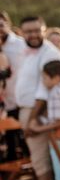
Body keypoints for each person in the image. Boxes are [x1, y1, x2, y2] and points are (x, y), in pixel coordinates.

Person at [15, 16, 60, 180]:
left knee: (42, 165)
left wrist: (33, 120)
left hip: (38, 114)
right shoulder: (27, 53)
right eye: (28, 31)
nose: (33, 35)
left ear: (44, 30)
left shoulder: (49, 53)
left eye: (37, 30)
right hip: (28, 111)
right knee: (42, 164)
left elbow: (46, 90)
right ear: (22, 33)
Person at [0, 12, 28, 161]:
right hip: (4, 104)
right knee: (9, 151)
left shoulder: (21, 44)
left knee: (26, 146)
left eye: (1, 25)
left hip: (21, 101)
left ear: (7, 24)